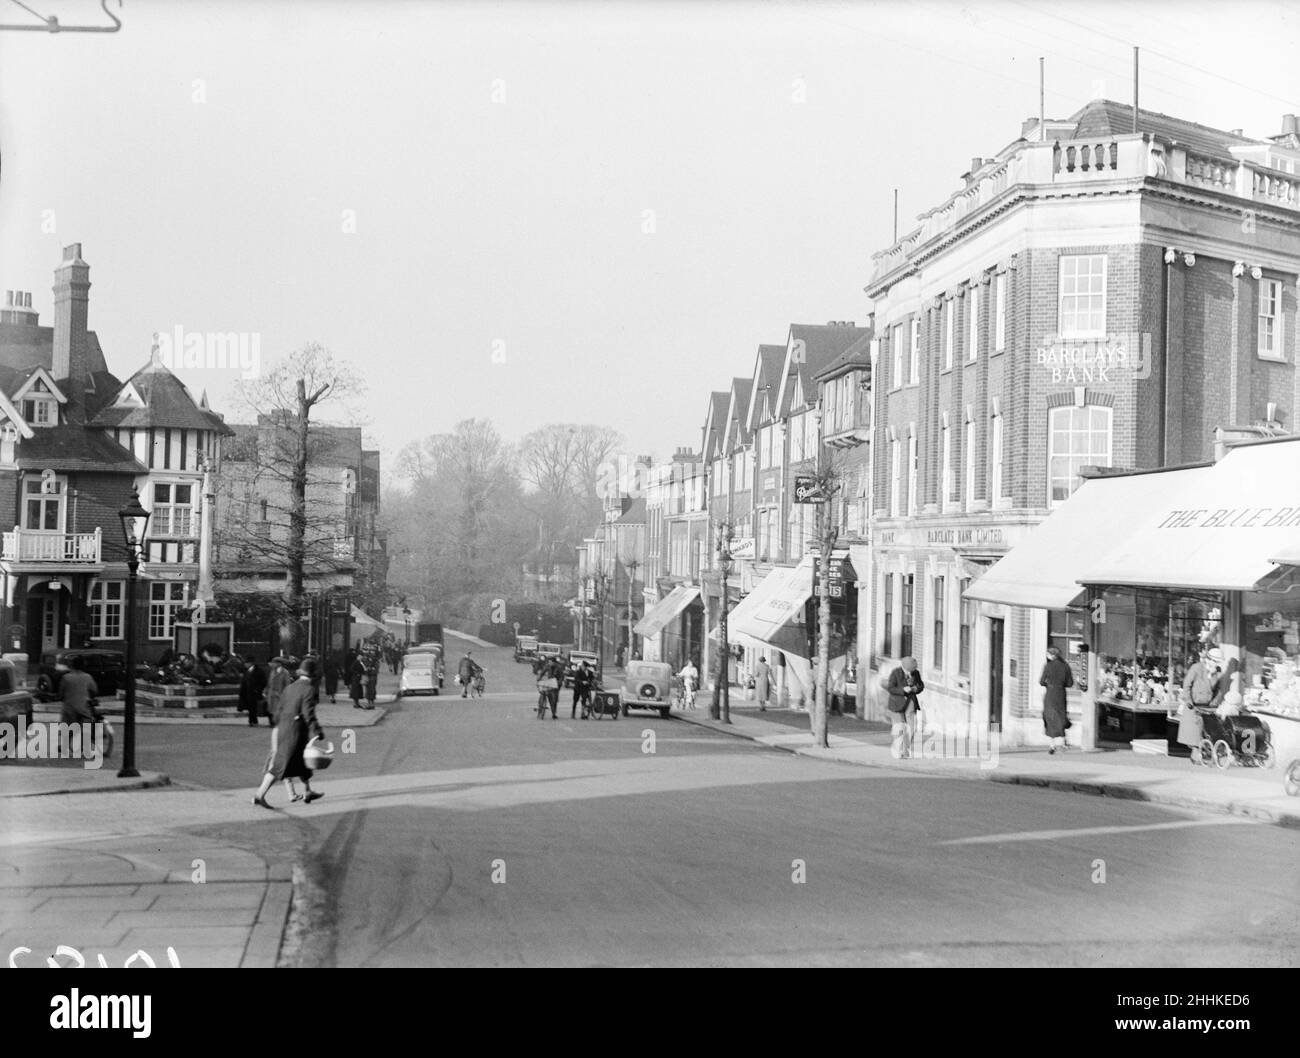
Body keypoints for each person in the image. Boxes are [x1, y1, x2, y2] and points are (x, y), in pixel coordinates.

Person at [252, 657, 326, 809]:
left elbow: (279, 710)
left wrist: (280, 724)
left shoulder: (290, 687)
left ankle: (308, 791)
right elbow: (308, 713)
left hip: (283, 728)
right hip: (296, 732)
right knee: (280, 765)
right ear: (313, 675)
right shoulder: (309, 689)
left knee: (303, 763)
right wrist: (317, 730)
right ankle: (260, 795)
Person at [884, 656, 924, 758]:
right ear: (905, 668)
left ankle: (906, 750)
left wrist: (916, 688)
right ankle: (899, 750)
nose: (913, 672)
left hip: (910, 702)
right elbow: (891, 688)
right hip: (897, 704)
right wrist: (903, 690)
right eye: (911, 670)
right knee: (899, 728)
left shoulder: (916, 673)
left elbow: (921, 685)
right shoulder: (895, 673)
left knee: (912, 727)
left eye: (914, 670)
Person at [1039, 646, 1074, 754]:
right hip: (1061, 693)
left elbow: (1041, 681)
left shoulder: (1048, 666)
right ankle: (1063, 742)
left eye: (1048, 654)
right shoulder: (1065, 666)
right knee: (1061, 716)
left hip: (1050, 693)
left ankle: (1052, 745)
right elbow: (1070, 683)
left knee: (1050, 717)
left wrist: (1048, 684)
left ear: (1052, 655)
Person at [239, 660, 268, 726]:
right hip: (247, 692)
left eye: (246, 663)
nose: (245, 665)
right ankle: (252, 720)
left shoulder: (259, 671)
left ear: (250, 663)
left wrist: (258, 689)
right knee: (250, 707)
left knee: (253, 707)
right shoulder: (246, 671)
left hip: (255, 692)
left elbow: (263, 681)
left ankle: (253, 721)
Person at [266, 656, 293, 724]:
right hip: (271, 694)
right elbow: (269, 683)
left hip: (280, 695)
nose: (272, 664)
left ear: (279, 664)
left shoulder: (285, 672)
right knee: (271, 709)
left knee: (279, 709)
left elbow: (287, 685)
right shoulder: (272, 671)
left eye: (274, 663)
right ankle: (273, 722)